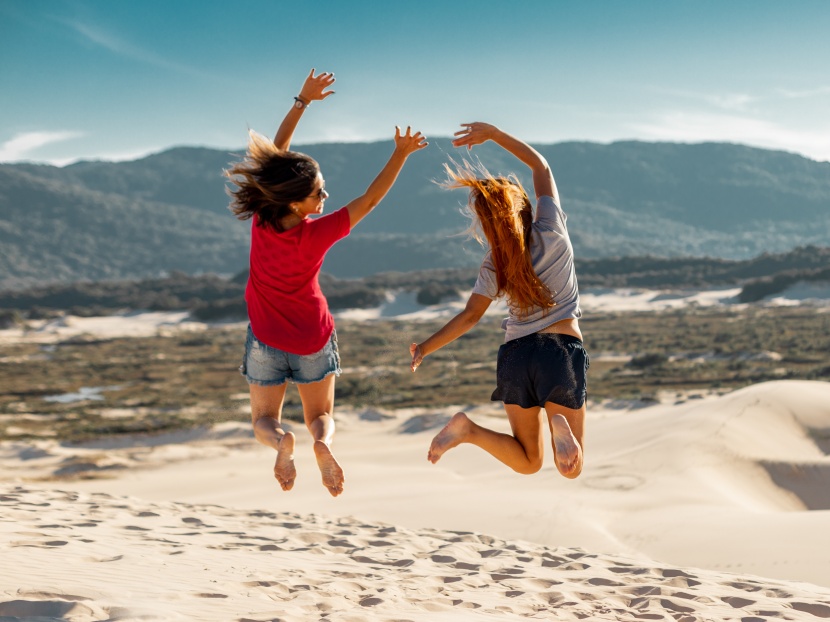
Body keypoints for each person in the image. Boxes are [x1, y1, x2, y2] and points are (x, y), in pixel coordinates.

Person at [226, 69, 427, 496]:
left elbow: (274, 157)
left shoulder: (263, 219)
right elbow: (370, 199)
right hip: (313, 338)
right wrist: (401, 155)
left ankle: (282, 442)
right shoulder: (317, 232)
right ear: (297, 203)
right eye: (319, 193)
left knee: (263, 420)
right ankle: (321, 444)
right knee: (321, 416)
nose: (325, 199)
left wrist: (301, 101)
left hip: (265, 339)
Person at [409, 122, 588, 479]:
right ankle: (558, 422)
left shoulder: (495, 262)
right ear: (523, 206)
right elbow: (541, 167)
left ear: (488, 225)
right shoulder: (550, 228)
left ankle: (468, 430)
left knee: (528, 461)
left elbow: (470, 316)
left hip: (515, 357)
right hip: (560, 351)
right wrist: (493, 134)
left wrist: (425, 348)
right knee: (570, 469)